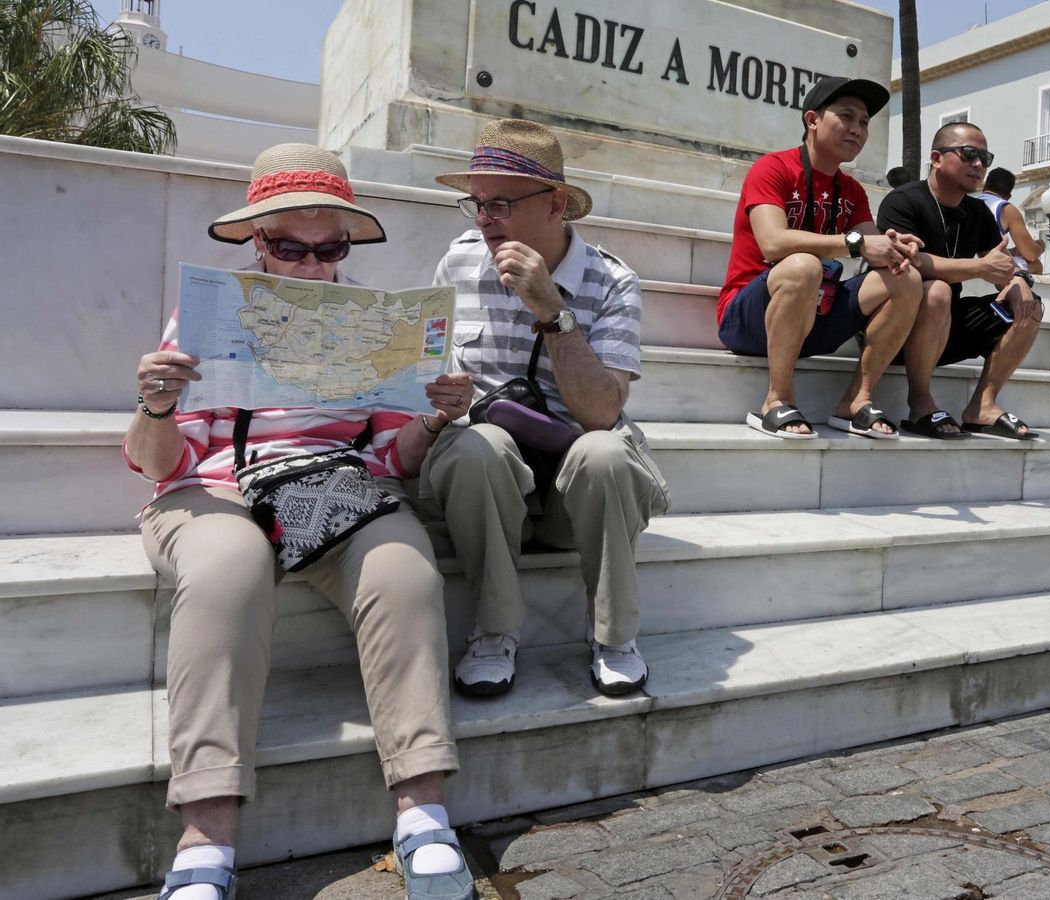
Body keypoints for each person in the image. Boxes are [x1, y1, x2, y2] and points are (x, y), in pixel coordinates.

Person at [125, 145, 474, 900]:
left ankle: (423, 810)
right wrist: (154, 404)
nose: (314, 264)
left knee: (403, 568)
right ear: (258, 243)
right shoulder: (210, 311)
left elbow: (397, 458)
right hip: (215, 487)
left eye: (331, 248)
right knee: (228, 568)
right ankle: (205, 834)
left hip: (337, 490)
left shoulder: (378, 323)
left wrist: (437, 416)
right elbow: (161, 463)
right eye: (290, 247)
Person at [422, 120, 671, 700]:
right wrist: (443, 395)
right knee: (477, 445)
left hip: (571, 491)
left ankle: (613, 636)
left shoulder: (612, 282)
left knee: (606, 452)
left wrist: (553, 311)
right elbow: (424, 368)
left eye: (501, 204)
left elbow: (602, 413)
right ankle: (493, 632)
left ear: (556, 203)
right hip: (486, 483)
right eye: (476, 204)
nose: (484, 220)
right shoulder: (457, 262)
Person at [718, 75, 925, 439]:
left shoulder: (852, 190)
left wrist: (893, 246)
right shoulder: (773, 168)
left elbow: (872, 247)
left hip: (815, 316)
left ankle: (856, 400)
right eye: (845, 116)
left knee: (905, 278)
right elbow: (773, 243)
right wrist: (856, 243)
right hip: (749, 317)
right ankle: (777, 398)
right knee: (802, 264)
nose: (857, 129)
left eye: (863, 122)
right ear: (812, 120)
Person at [875, 123, 1044, 439]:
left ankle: (983, 406)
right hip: (893, 326)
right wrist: (979, 267)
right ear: (937, 158)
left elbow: (1002, 265)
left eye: (984, 157)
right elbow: (910, 262)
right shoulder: (903, 200)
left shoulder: (978, 211)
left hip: (942, 328)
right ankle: (920, 401)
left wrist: (1019, 280)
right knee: (936, 291)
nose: (978, 165)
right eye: (968, 154)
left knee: (1030, 306)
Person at [977, 167, 1046, 277]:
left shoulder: (972, 202)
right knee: (1036, 265)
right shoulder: (1006, 208)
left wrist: (1012, 250)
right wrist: (1040, 247)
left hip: (965, 260)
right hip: (987, 266)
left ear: (985, 187)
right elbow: (1031, 254)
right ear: (1009, 196)